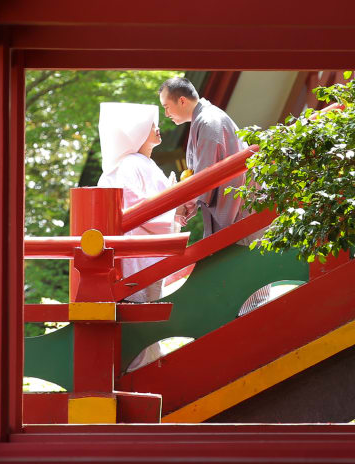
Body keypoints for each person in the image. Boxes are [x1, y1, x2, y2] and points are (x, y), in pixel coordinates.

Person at [158, 76, 255, 243]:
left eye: (167, 107)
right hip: (237, 206)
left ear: (182, 101)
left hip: (243, 211)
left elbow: (206, 175)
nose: (166, 114)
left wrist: (184, 203)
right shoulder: (204, 118)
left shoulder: (209, 121)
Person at [96, 102, 174, 303]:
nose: (158, 128)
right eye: (151, 125)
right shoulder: (130, 164)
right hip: (141, 251)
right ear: (136, 130)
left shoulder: (141, 162)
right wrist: (174, 208)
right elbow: (134, 204)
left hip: (149, 247)